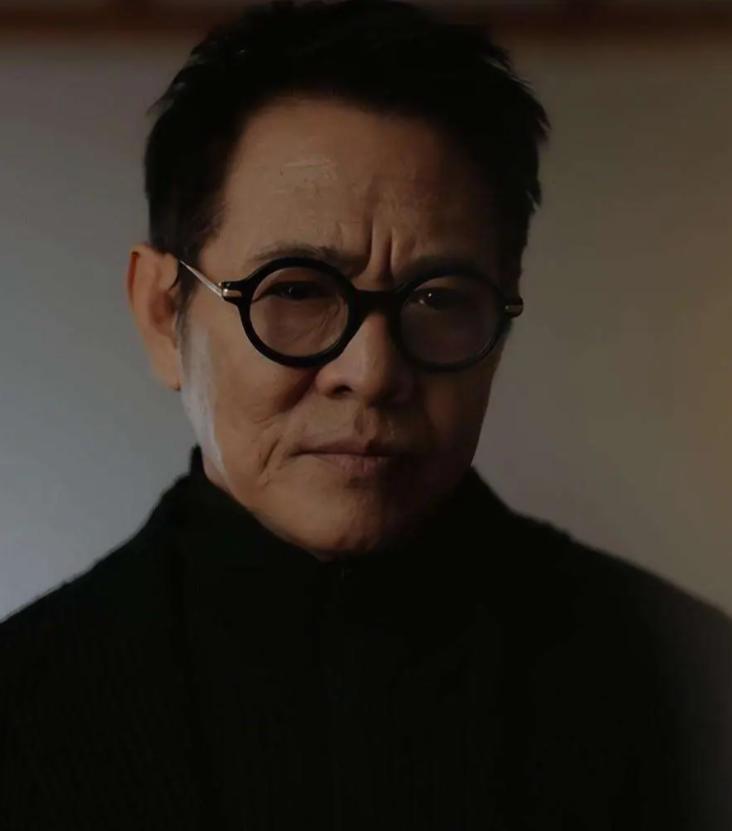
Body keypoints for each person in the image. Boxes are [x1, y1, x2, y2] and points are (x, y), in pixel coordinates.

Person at [2, 1, 730, 828]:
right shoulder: (22, 709)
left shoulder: (690, 686)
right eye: (297, 291)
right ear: (163, 314)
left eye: (439, 298)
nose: (373, 372)